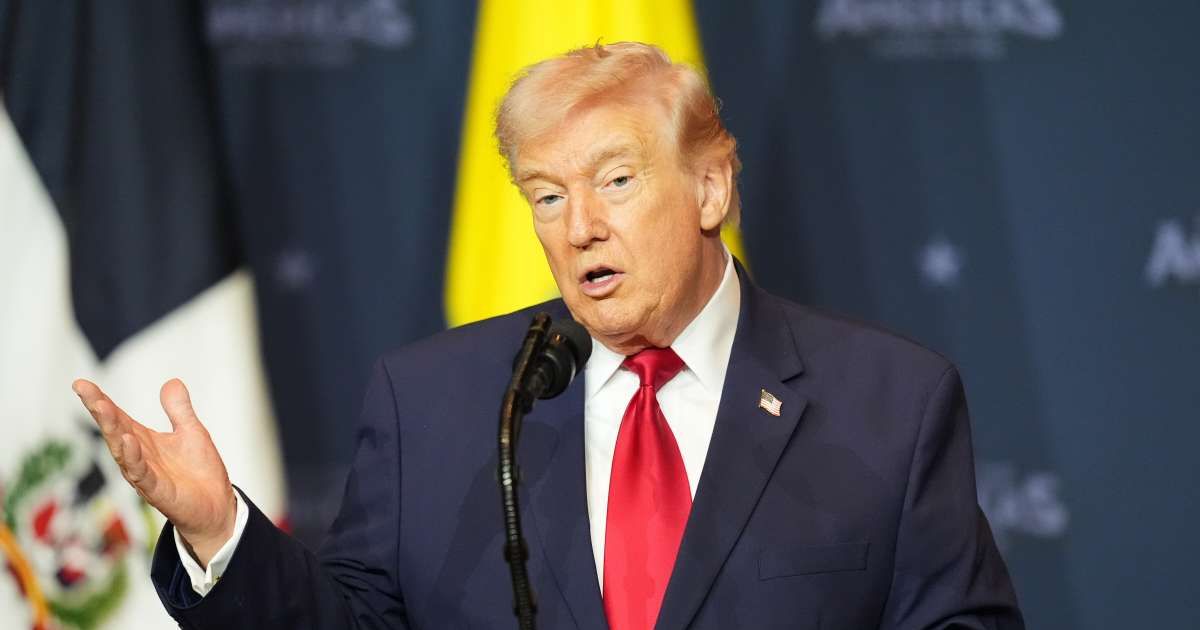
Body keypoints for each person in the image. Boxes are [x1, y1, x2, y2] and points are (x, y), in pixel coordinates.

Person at [72, 42, 1022, 629]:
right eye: (547, 196)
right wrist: (217, 530)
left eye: (615, 181)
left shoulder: (888, 404)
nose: (578, 228)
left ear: (711, 189)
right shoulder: (435, 403)